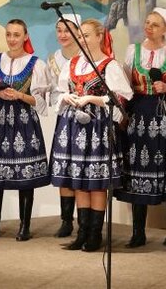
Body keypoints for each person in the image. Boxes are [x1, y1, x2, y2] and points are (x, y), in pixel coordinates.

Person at [50, 19, 133, 252]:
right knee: (79, 182)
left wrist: (93, 99)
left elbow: (122, 95)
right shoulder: (74, 63)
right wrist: (67, 97)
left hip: (97, 126)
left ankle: (95, 234)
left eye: (86, 35)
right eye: (81, 35)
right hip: (75, 126)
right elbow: (61, 89)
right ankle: (82, 232)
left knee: (96, 182)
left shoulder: (109, 65)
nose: (83, 40)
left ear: (99, 36)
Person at [113, 7, 166, 248]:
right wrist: (122, 111)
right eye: (147, 22)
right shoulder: (132, 51)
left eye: (155, 24)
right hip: (139, 113)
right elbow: (124, 84)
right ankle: (138, 232)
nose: (149, 27)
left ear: (165, 29)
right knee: (137, 167)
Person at [0, 19, 50, 241]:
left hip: (24, 122)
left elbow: (40, 100)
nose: (12, 39)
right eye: (8, 34)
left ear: (25, 36)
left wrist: (19, 95)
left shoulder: (36, 63)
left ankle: (24, 226)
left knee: (25, 176)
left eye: (16, 35)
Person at [47, 13, 82, 238]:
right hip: (65, 117)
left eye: (67, 30)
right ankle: (66, 220)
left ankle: (85, 219)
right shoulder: (54, 60)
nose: (63, 35)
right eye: (59, 30)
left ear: (78, 32)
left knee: (82, 167)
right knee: (64, 166)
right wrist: (62, 98)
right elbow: (52, 91)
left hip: (87, 117)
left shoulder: (87, 57)